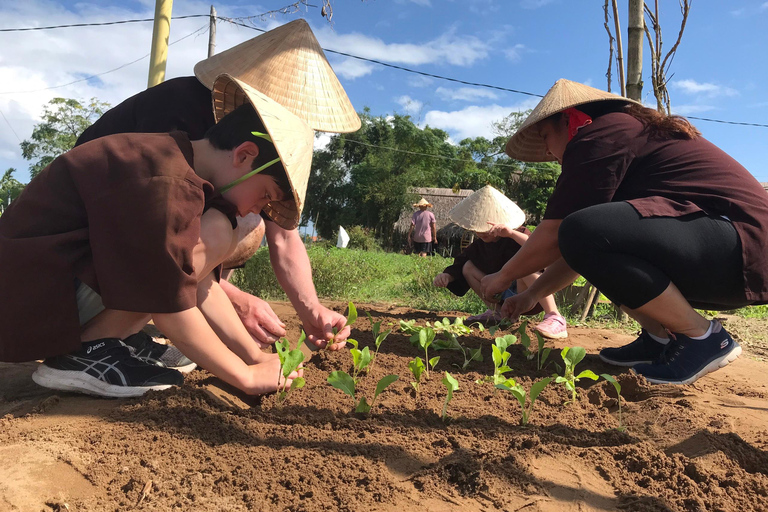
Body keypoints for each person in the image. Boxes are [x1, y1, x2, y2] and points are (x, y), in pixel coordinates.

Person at [0, 74, 336, 398]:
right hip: (25, 302)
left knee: (218, 230)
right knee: (217, 231)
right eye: (264, 195)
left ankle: (110, 338)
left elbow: (199, 285)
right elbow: (166, 299)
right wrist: (244, 375)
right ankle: (89, 350)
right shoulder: (168, 181)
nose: (255, 210)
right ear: (244, 155)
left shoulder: (177, 164)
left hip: (44, 292)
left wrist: (256, 357)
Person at [74, 20, 360, 362]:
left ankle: (125, 330)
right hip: (70, 276)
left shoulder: (252, 151)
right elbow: (150, 243)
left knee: (242, 223)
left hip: (123, 263)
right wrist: (233, 302)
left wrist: (312, 310)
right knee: (226, 223)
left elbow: (283, 238)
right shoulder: (177, 114)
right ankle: (96, 342)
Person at [480, 78, 768, 385]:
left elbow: (559, 231)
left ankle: (703, 338)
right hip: (725, 255)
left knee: (580, 227)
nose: (550, 152)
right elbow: (580, 248)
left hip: (740, 244)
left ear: (570, 119)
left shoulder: (604, 132)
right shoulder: (622, 136)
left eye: (546, 136)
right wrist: (531, 294)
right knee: (589, 235)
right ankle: (659, 339)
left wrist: (503, 276)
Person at [433, 185, 567, 338]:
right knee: (468, 267)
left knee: (526, 267)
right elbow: (459, 264)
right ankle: (497, 313)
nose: (480, 232)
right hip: (499, 295)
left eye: (485, 227)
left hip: (528, 293)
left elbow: (537, 247)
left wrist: (511, 234)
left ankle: (554, 315)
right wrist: (447, 276)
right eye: (477, 227)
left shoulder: (517, 234)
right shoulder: (476, 247)